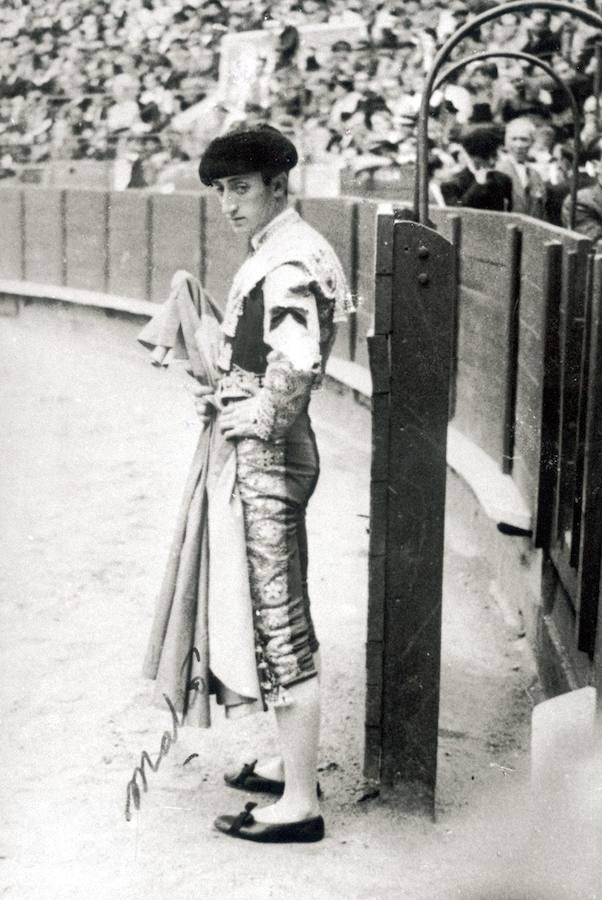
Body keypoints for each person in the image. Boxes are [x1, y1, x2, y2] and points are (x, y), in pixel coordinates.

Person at [141, 124, 352, 843]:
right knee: (276, 608)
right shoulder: (289, 248)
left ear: (276, 186)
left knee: (278, 617)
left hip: (272, 455)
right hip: (281, 449)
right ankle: (289, 767)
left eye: (241, 188)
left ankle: (300, 803)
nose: (228, 203)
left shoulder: (287, 260)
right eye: (221, 191)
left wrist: (253, 413)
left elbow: (293, 367)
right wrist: (235, 395)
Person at [441, 125, 513, 212]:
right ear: (471, 156)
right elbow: (458, 214)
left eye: (494, 155)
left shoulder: (503, 180)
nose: (492, 162)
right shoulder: (451, 184)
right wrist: (478, 186)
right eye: (485, 157)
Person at [496, 116, 547, 219]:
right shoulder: (498, 171)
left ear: (532, 142)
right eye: (514, 139)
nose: (518, 145)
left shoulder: (536, 175)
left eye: (524, 139)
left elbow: (542, 210)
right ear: (506, 142)